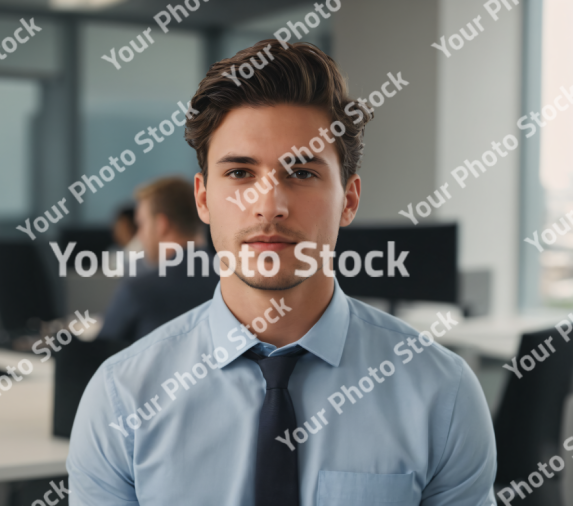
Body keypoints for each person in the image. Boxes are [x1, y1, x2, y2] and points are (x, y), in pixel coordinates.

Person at [68, 40, 497, 505]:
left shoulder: (442, 393)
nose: (269, 205)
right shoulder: (121, 398)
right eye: (239, 174)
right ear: (203, 198)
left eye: (302, 173)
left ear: (349, 200)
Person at [96, 177, 217, 343]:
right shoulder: (234, 283)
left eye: (141, 225)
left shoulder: (139, 291)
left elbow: (99, 357)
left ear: (161, 225)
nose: (139, 236)